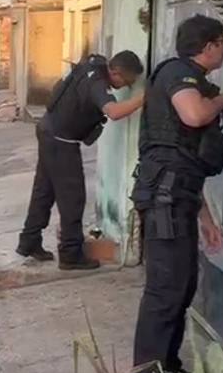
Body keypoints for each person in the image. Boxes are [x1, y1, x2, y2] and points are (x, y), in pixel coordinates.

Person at [127, 14, 223, 373]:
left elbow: (184, 163)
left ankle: (168, 368)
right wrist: (222, 102)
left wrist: (206, 218)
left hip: (179, 197)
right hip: (164, 201)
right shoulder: (178, 74)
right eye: (222, 43)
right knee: (164, 292)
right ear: (208, 47)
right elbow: (193, 115)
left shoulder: (192, 80)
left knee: (184, 284)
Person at [16, 51, 146, 270]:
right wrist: (143, 99)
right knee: (72, 198)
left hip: (48, 131)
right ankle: (71, 253)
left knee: (44, 191)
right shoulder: (98, 83)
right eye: (126, 81)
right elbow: (113, 112)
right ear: (114, 72)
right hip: (62, 141)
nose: (125, 86)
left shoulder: (91, 66)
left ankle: (29, 240)